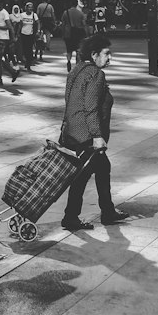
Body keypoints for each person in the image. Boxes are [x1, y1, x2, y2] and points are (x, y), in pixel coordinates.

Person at [59, 32, 128, 231]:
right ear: (94, 54)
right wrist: (97, 136)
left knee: (102, 169)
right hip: (86, 136)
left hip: (72, 131)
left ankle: (107, 211)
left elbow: (71, 101)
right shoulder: (96, 74)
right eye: (106, 54)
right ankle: (72, 216)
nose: (109, 58)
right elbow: (90, 108)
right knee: (82, 176)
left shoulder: (77, 70)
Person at [0, 0, 20, 86]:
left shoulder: (4, 13)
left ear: (1, 3)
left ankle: (12, 72)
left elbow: (9, 26)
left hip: (3, 39)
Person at [61, 0, 87, 72]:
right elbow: (84, 24)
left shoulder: (65, 13)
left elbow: (63, 24)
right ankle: (77, 65)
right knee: (78, 50)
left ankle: (68, 61)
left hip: (68, 34)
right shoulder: (80, 13)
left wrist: (63, 34)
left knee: (69, 50)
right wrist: (86, 34)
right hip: (78, 34)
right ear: (76, 4)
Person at [18, 2, 39, 71]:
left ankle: (28, 63)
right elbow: (20, 25)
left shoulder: (34, 15)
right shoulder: (22, 15)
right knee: (24, 49)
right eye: (29, 7)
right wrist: (17, 33)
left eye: (31, 7)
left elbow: (38, 23)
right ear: (26, 8)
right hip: (23, 33)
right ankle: (27, 61)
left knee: (29, 49)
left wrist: (38, 31)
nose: (30, 9)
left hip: (31, 34)